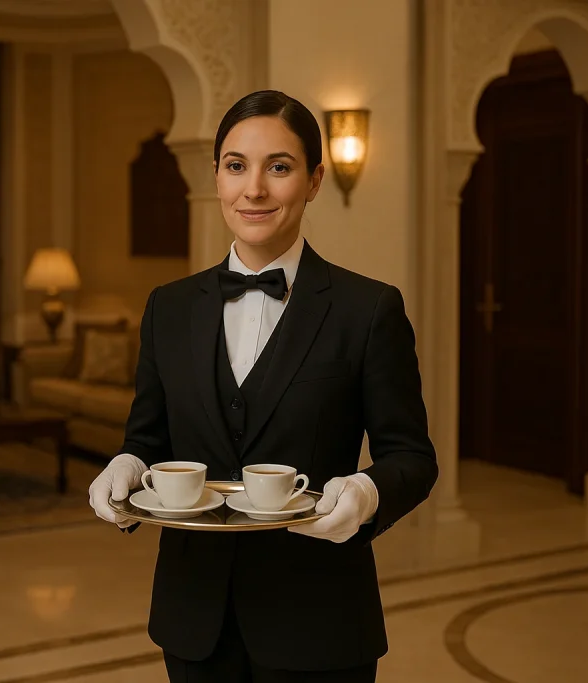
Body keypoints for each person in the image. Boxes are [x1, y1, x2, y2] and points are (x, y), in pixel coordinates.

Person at [88, 89, 438, 683]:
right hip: (195, 620)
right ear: (218, 178)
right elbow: (146, 437)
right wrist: (124, 465)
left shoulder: (369, 309)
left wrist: (364, 494)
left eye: (278, 167)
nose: (254, 188)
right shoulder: (167, 308)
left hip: (321, 622)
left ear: (314, 181)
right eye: (235, 166)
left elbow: (411, 458)